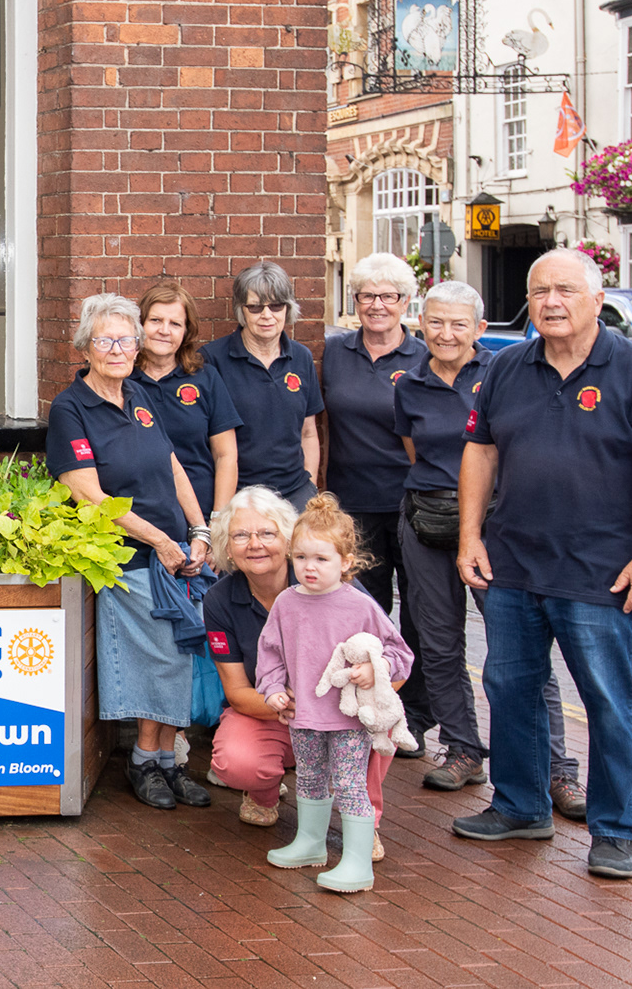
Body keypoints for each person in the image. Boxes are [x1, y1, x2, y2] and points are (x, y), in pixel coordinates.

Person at [455, 249, 632, 879]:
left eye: (564, 289)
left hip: (603, 573)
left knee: (608, 700)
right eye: (539, 292)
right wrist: (469, 535)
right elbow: (480, 450)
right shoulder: (506, 367)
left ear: (596, 297)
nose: (551, 302)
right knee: (510, 688)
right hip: (512, 566)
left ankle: (615, 831)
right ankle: (519, 806)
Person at [393, 281, 584, 810]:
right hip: (427, 524)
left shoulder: (507, 374)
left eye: (459, 324)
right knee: (438, 642)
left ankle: (557, 769)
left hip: (499, 528)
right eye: (435, 322)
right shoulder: (407, 384)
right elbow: (418, 453)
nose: (446, 333)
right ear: (420, 325)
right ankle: (461, 749)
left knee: (521, 648)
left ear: (480, 329)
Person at [46, 293, 213, 812]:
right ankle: (146, 758)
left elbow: (173, 466)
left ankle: (168, 761)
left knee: (177, 659)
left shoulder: (139, 394)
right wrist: (161, 541)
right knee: (159, 660)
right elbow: (89, 497)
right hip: (130, 558)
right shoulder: (70, 408)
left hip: (175, 552)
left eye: (126, 339)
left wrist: (199, 529)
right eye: (106, 340)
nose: (118, 349)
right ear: (85, 346)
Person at [205, 487, 394, 860]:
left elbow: (393, 658)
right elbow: (236, 689)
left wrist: (369, 682)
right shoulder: (220, 600)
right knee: (236, 760)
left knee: (379, 725)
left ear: (288, 541)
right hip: (277, 708)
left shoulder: (333, 581)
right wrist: (291, 705)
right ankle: (263, 795)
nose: (255, 544)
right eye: (241, 535)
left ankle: (363, 822)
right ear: (228, 547)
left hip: (340, 710)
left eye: (268, 533)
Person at [254, 494, 414, 894]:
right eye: (301, 557)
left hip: (347, 720)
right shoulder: (286, 604)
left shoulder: (359, 605)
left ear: (346, 562)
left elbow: (400, 653)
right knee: (309, 778)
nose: (309, 567)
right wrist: (272, 690)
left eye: (321, 559)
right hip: (303, 715)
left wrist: (372, 669)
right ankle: (310, 843)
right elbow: (270, 653)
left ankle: (358, 863)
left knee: (349, 785)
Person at [319, 253, 430, 752]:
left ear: (406, 303)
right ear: (355, 301)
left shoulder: (424, 357)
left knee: (423, 613)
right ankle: (367, 709)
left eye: (389, 296)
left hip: (412, 505)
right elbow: (316, 427)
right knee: (365, 611)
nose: (378, 305)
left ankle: (417, 714)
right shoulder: (335, 353)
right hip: (352, 504)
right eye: (367, 296)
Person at [203, 262, 322, 509]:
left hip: (295, 494)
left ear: (287, 308)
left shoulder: (301, 357)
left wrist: (309, 485)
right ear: (241, 311)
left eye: (276, 305)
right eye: (255, 307)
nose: (267, 315)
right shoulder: (212, 359)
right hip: (238, 495)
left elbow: (308, 432)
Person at [135, 281, 243, 518]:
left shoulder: (205, 378)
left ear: (186, 332)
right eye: (155, 320)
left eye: (175, 324)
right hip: (138, 519)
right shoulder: (122, 380)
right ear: (140, 324)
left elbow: (226, 455)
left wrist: (218, 521)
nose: (165, 330)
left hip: (200, 516)